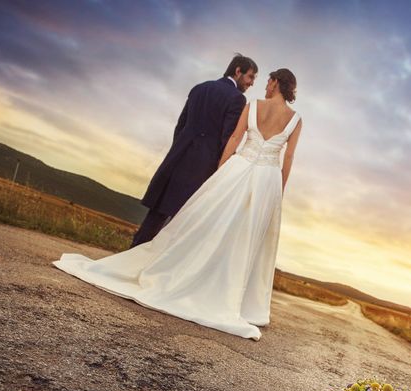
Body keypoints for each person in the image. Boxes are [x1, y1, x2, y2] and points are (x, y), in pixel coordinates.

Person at [53, 69, 302, 340]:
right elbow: (287, 159)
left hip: (238, 169)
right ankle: (234, 295)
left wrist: (220, 172)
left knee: (209, 224)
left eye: (268, 81)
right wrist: (280, 189)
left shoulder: (253, 105)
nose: (264, 86)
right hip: (267, 179)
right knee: (247, 235)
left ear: (276, 83)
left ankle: (193, 274)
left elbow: (234, 140)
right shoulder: (296, 120)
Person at [131, 54, 258, 247]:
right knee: (184, 218)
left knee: (157, 212)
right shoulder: (237, 99)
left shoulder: (200, 88)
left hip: (178, 157)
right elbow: (227, 138)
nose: (251, 83)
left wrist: (180, 148)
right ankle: (159, 266)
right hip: (203, 167)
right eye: (250, 77)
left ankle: (133, 252)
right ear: (238, 71)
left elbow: (180, 125)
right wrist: (222, 169)